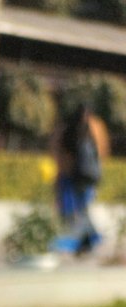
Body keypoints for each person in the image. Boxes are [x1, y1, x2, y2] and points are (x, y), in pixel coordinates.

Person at [57, 103, 104, 256]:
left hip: (77, 178)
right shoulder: (89, 134)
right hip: (88, 178)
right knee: (81, 211)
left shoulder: (71, 133)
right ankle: (86, 243)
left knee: (76, 211)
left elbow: (64, 156)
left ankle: (86, 242)